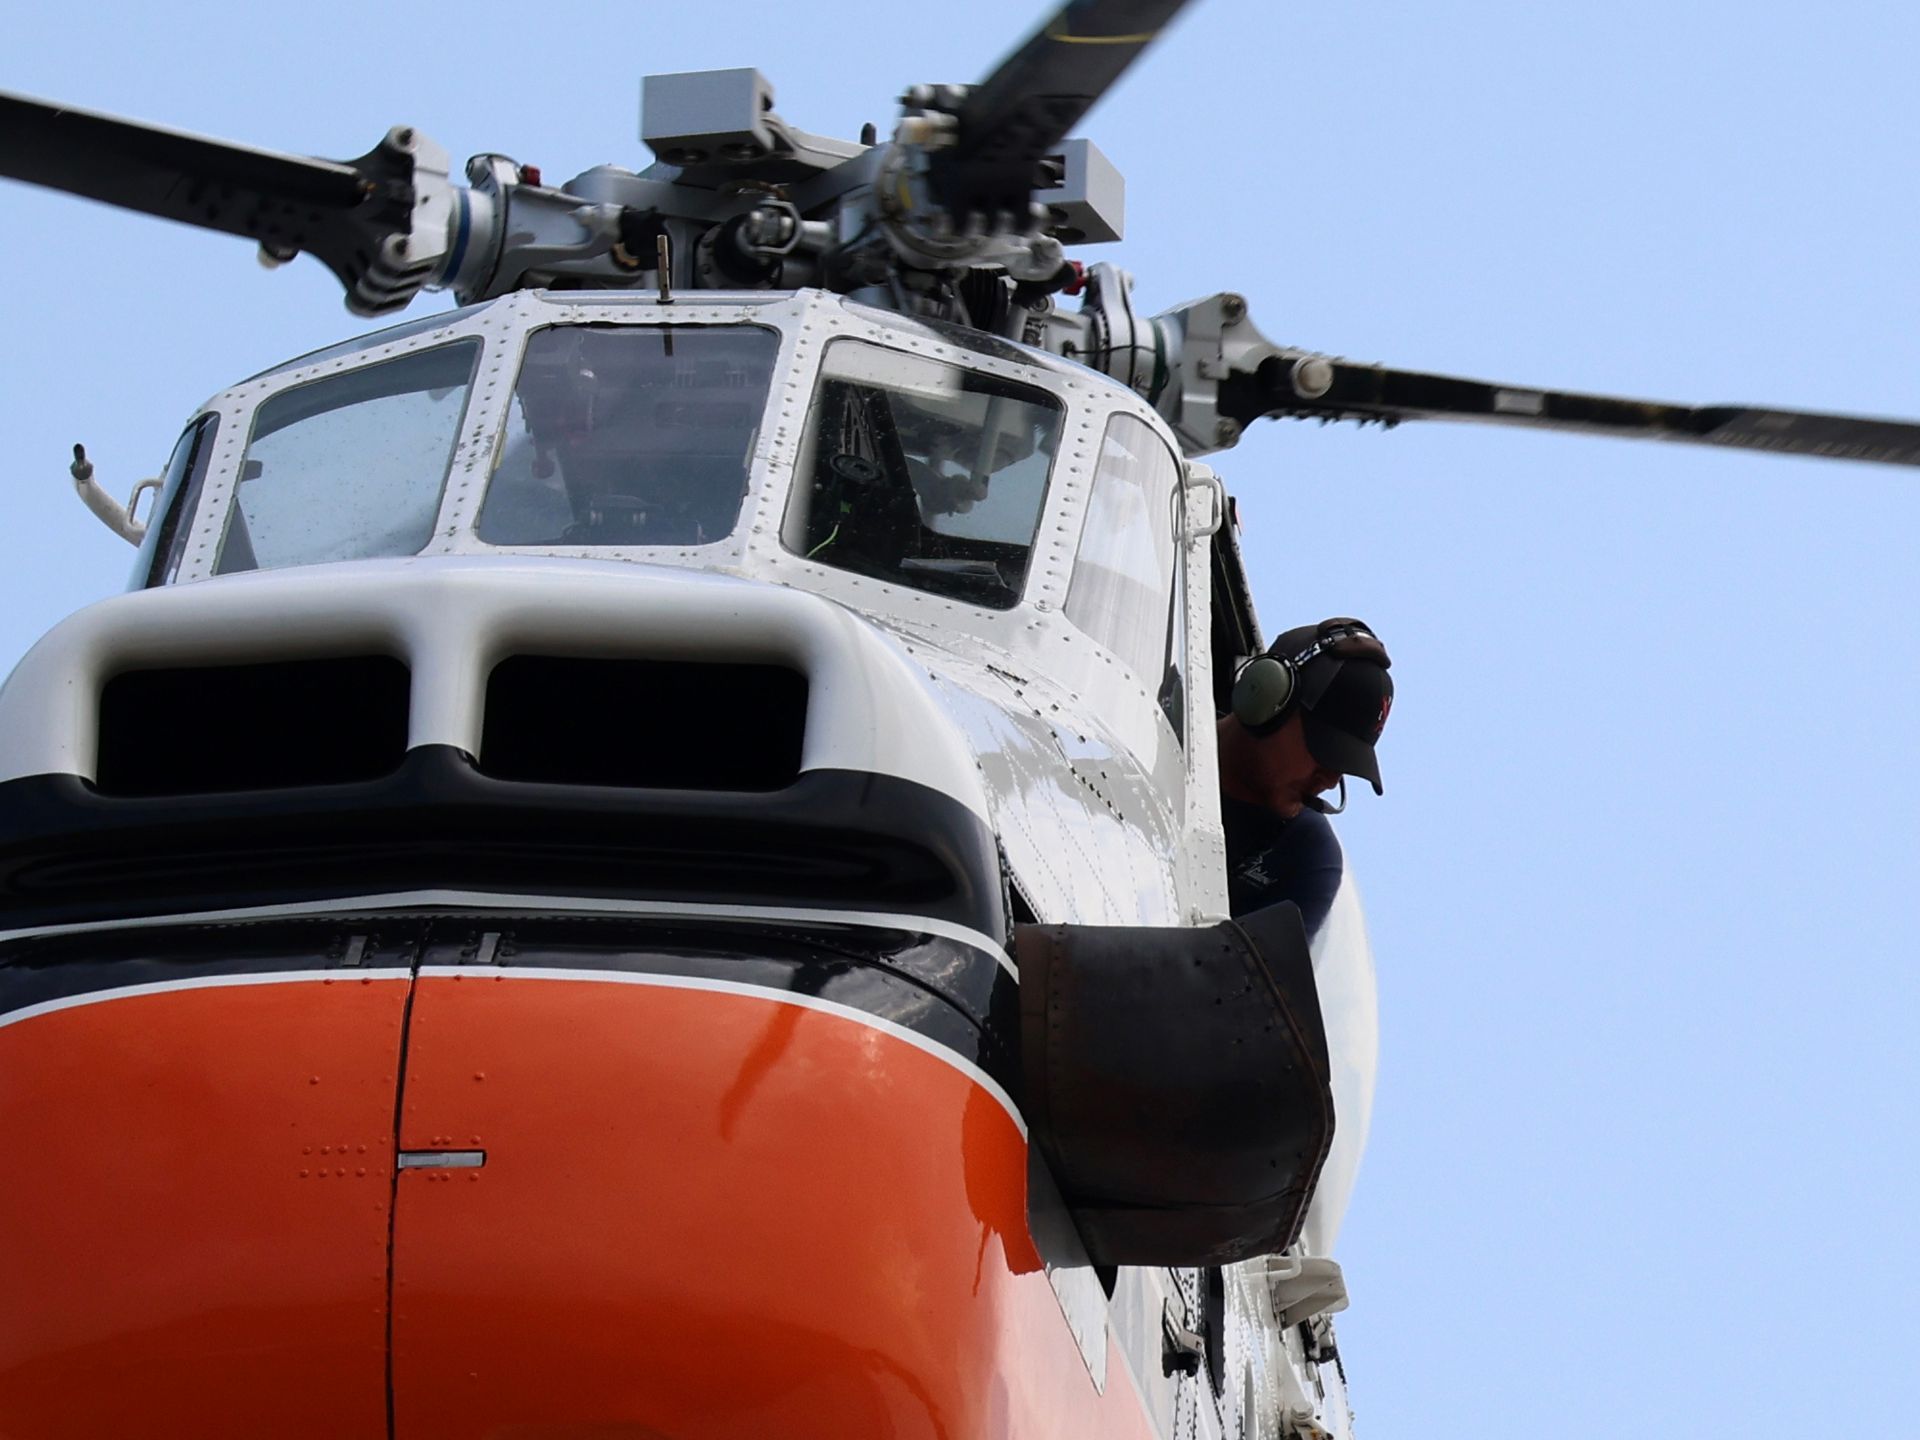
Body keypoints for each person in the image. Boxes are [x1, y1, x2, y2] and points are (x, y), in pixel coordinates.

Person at [1217, 618, 1393, 938]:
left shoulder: (1306, 855)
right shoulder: (1146, 727)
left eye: (1344, 767)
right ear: (1267, 696)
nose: (1328, 780)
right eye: (1323, 750)